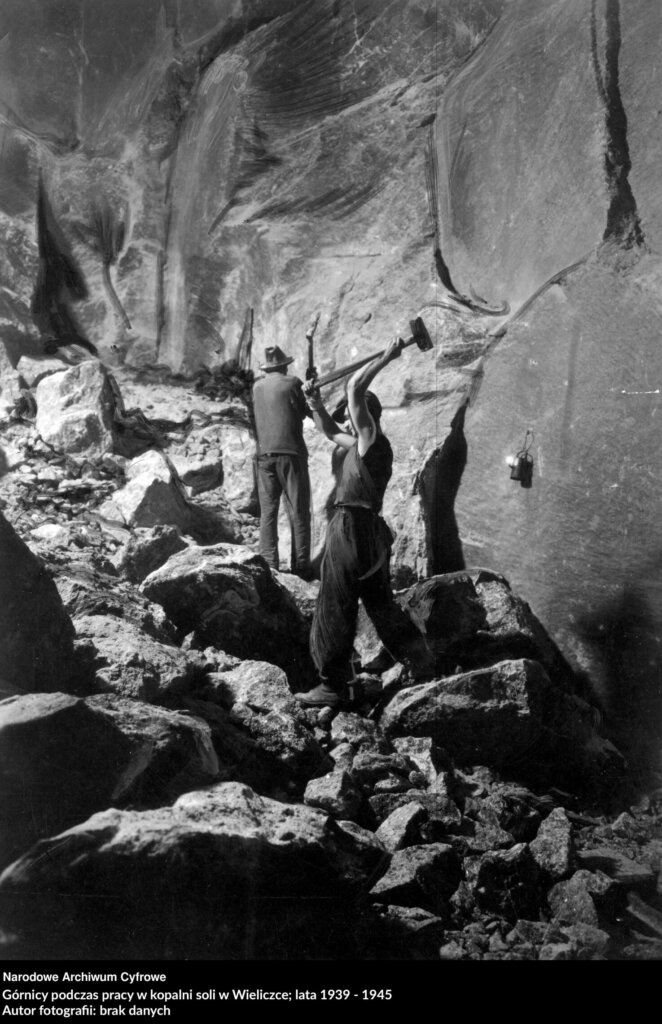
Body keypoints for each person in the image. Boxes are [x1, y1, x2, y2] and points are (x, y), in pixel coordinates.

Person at [297, 338, 433, 707]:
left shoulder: (370, 439)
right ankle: (421, 661)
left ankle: (332, 686)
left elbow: (355, 387)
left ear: (364, 417)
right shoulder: (361, 445)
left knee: (335, 603)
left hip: (351, 532)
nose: (346, 420)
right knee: (379, 604)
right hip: (369, 534)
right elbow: (327, 431)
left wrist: (391, 352)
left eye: (351, 415)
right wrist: (314, 403)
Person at [252, 344, 312, 578]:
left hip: (264, 455)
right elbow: (308, 411)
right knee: (298, 511)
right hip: (291, 454)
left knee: (268, 512)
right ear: (284, 366)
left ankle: (269, 564)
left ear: (267, 368)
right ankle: (302, 566)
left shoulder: (257, 387)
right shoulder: (292, 383)